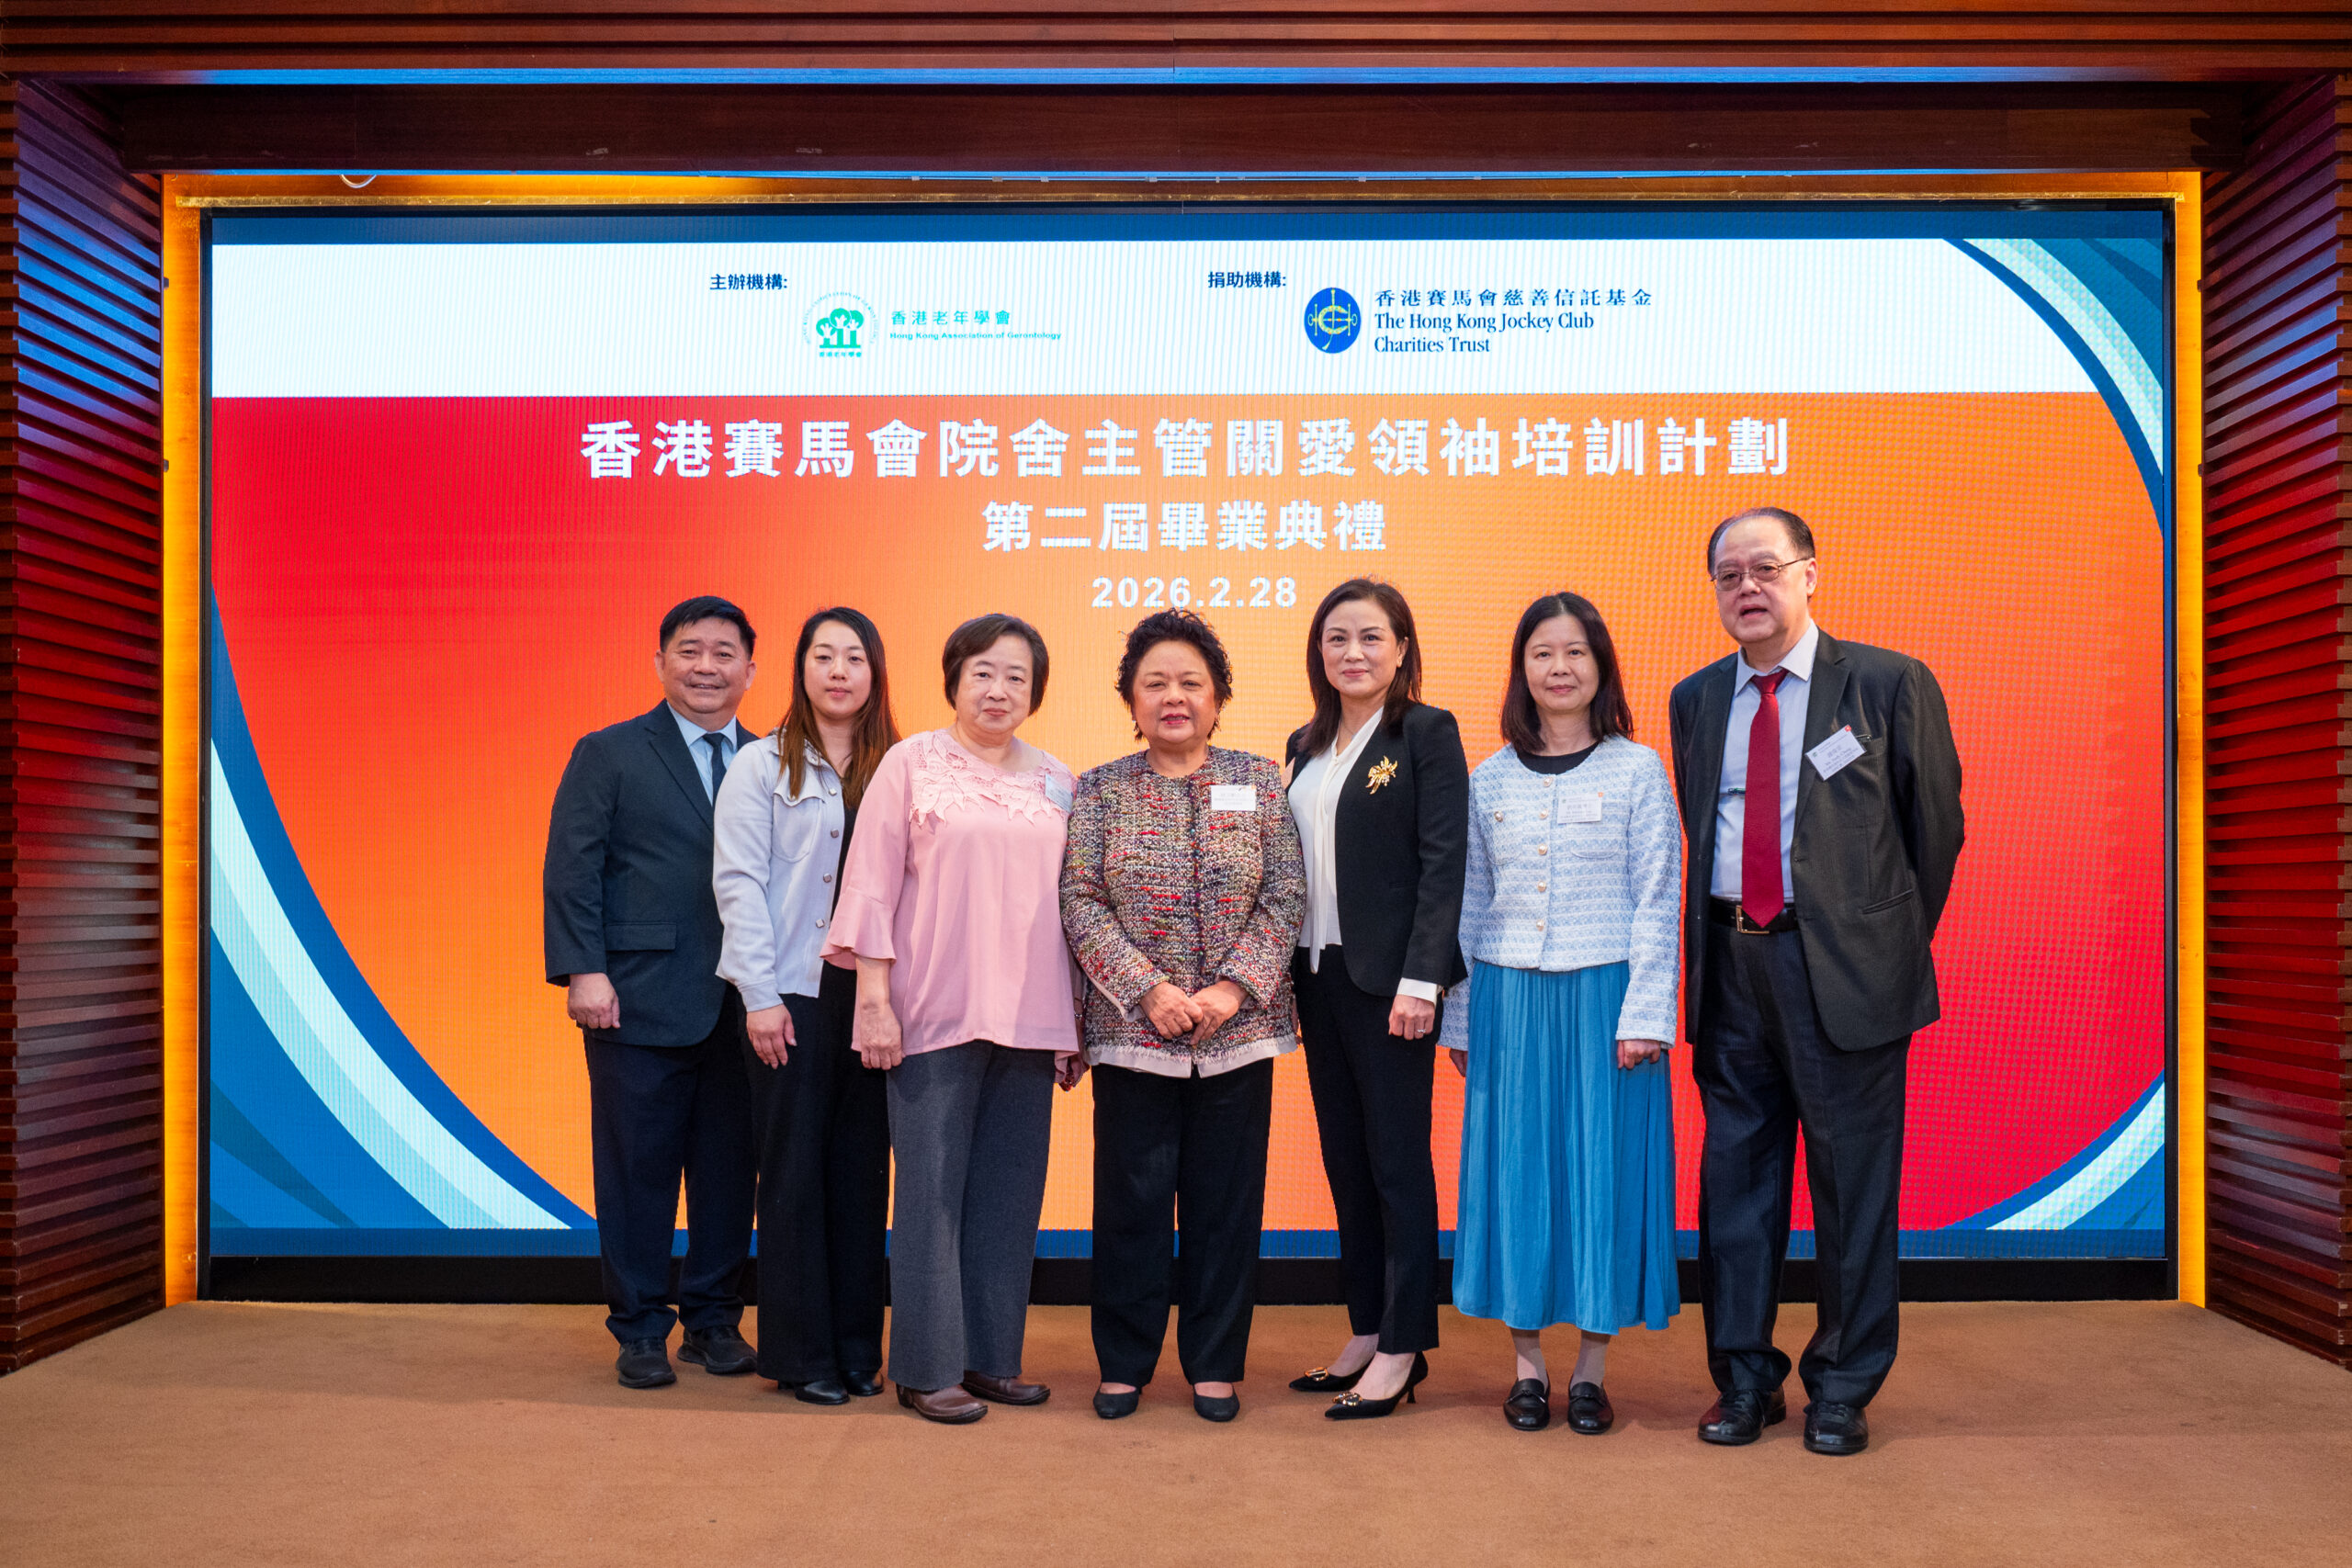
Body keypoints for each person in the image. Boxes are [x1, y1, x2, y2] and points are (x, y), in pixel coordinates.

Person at [1669, 506, 1964, 1457]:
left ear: (1809, 574)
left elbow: (1935, 831)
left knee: (1853, 1189)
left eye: (1765, 568)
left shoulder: (1884, 683)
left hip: (1842, 972)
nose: (1747, 588)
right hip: (1731, 966)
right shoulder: (1696, 698)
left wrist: (1874, 942)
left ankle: (1842, 1384)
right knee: (1735, 1189)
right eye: (1728, 576)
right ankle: (1744, 1379)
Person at [823, 613, 1084, 1425]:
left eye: (1015, 676)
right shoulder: (910, 763)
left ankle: (991, 1358)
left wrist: (1074, 1021)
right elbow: (870, 885)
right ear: (954, 681)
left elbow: (1074, 906)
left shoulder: (1059, 780)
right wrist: (874, 1002)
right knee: (930, 1193)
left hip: (1031, 1017)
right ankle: (926, 1367)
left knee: (1010, 1192)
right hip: (931, 1008)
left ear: (1035, 690)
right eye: (982, 672)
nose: (998, 689)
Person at [1060, 610, 1307, 1425]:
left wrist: (1234, 989)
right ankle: (1124, 1361)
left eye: (1191, 682)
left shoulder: (1260, 779)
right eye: (1156, 683)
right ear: (1131, 700)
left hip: (1238, 1035)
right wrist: (1148, 990)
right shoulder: (1100, 788)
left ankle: (1214, 1362)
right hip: (1135, 1034)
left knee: (1224, 1206)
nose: (1174, 696)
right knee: (1129, 1203)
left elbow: (1286, 892)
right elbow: (1080, 899)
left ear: (1218, 697)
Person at [1443, 592, 1681, 1437]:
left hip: (1607, 1003)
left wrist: (1646, 1012)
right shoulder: (1488, 777)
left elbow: (1658, 897)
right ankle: (1526, 1367)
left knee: (1600, 1175)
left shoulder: (1637, 769)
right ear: (1522, 669)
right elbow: (1468, 904)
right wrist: (1460, 1020)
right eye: (1542, 652)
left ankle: (1590, 1370)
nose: (1559, 668)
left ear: (1601, 666)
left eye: (1576, 651)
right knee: (1517, 1177)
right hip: (1508, 998)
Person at [543, 596, 764, 1390]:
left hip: (746, 1005)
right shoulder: (609, 752)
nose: (707, 666)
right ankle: (639, 1327)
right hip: (635, 997)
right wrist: (584, 969)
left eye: (724, 653)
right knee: (636, 1173)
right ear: (660, 661)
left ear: (750, 669)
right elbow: (573, 868)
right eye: (689, 650)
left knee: (729, 1173)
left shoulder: (772, 759)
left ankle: (713, 1320)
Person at [1283, 578, 1469, 1420]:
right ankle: (1366, 1326)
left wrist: (1423, 979)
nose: (1352, 652)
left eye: (1369, 636)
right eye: (1336, 638)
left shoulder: (1425, 732)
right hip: (1317, 979)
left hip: (1393, 986)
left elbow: (1443, 860)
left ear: (1401, 648)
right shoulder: (1305, 743)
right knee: (1345, 1159)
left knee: (1396, 1162)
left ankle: (1403, 1344)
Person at [713, 607, 899, 1405]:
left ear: (875, 673)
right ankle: (801, 1355)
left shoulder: (900, 766)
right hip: (791, 991)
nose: (839, 671)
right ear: (801, 670)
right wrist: (758, 996)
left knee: (861, 1174)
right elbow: (738, 883)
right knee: (792, 1173)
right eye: (823, 656)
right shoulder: (760, 765)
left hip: (877, 997)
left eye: (854, 657)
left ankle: (857, 1349)